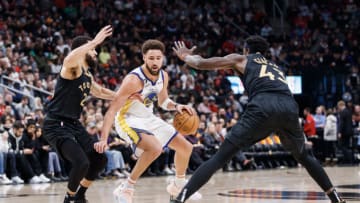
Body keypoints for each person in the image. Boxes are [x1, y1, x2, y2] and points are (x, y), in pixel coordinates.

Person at [170, 36, 345, 203]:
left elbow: (200, 63)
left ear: (247, 50)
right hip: (289, 107)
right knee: (305, 156)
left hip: (263, 106)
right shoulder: (275, 67)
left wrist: (186, 56)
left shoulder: (242, 59)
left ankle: (179, 199)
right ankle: (335, 197)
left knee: (219, 157)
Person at [95, 39, 201, 203]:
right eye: (151, 58)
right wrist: (103, 139)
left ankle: (178, 186)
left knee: (186, 147)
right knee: (155, 148)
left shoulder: (163, 76)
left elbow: (163, 102)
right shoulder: (133, 80)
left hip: (148, 118)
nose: (155, 62)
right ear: (144, 57)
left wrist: (177, 106)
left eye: (158, 58)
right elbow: (111, 111)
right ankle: (126, 188)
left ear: (163, 58)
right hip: (127, 119)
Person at [43, 25, 115, 203]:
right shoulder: (71, 68)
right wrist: (95, 41)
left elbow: (100, 92)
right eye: (93, 50)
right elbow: (69, 58)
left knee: (99, 160)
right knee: (81, 163)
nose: (96, 54)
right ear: (84, 50)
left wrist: (126, 96)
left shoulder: (86, 74)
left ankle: (80, 195)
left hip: (73, 125)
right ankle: (69, 199)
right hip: (56, 124)